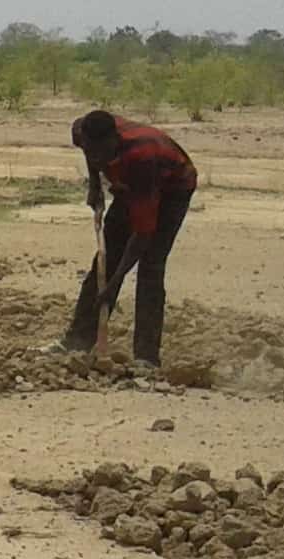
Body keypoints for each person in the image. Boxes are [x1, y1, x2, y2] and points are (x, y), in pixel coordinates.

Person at [57, 108, 197, 367]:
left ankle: (146, 358)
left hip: (172, 187)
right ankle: (77, 342)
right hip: (128, 184)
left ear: (114, 141)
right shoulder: (82, 131)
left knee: (150, 267)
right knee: (104, 262)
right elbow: (91, 153)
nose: (96, 159)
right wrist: (95, 185)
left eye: (102, 153)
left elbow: (143, 233)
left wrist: (114, 284)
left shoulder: (141, 159)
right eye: (91, 152)